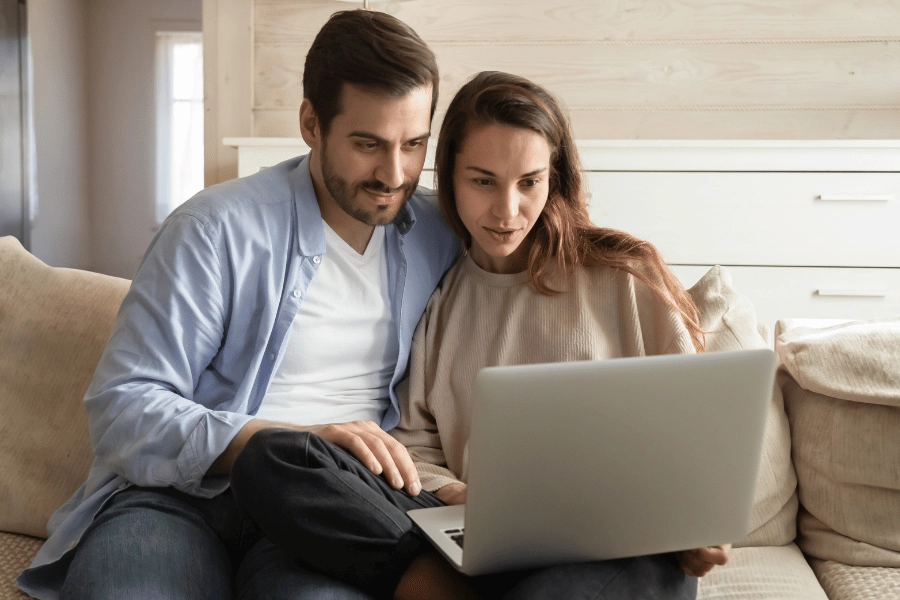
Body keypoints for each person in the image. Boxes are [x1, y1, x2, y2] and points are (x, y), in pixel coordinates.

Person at [230, 71, 732, 599]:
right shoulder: (440, 293)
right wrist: (461, 496)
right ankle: (439, 581)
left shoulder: (626, 278)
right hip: (473, 527)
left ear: (554, 178)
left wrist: (700, 523)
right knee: (273, 458)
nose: (507, 210)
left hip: (613, 542)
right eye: (483, 180)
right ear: (449, 177)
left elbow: (697, 438)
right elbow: (415, 446)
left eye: (529, 182)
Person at [17, 10, 460, 600]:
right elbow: (124, 408)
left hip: (332, 509)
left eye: (414, 145)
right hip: (177, 499)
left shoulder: (436, 228)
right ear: (310, 122)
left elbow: (535, 233)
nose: (394, 173)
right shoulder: (215, 229)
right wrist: (282, 442)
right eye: (367, 144)